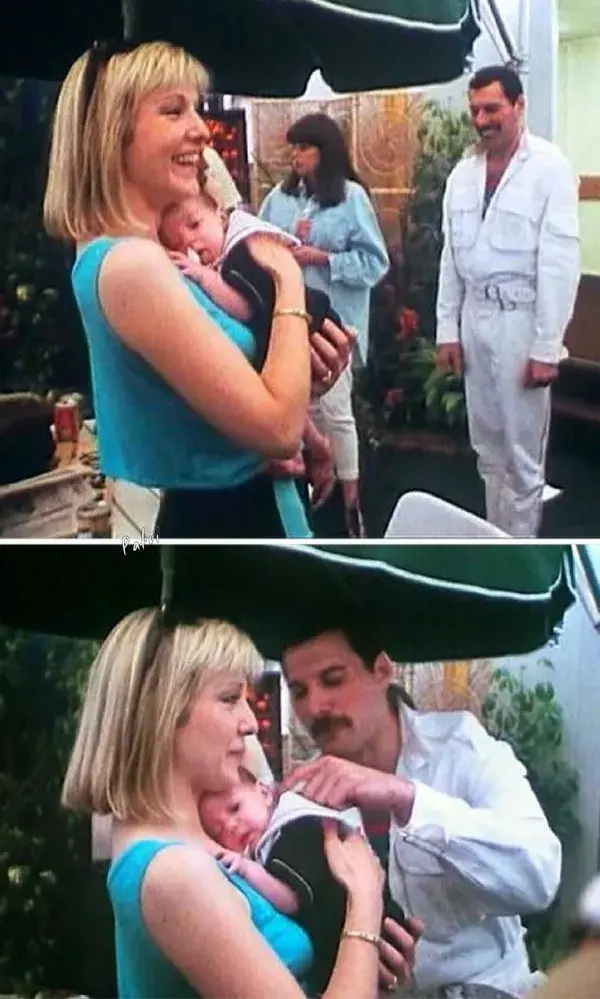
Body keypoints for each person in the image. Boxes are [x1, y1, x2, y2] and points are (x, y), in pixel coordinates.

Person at [43, 41, 353, 539]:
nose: (201, 129)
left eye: (197, 107)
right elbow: (276, 429)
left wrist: (301, 398)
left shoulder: (136, 251)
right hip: (229, 523)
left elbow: (192, 402)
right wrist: (288, 275)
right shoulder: (132, 264)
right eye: (173, 110)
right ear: (112, 133)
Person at [61, 609, 416, 999]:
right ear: (161, 710)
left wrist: (360, 962)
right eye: (230, 698)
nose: (249, 723)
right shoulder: (176, 873)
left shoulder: (190, 840)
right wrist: (364, 901)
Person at [278, 616, 562, 997]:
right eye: (298, 691)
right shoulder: (303, 801)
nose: (315, 706)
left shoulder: (460, 748)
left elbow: (538, 877)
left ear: (382, 670)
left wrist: (407, 797)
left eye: (332, 679)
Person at [436, 64, 580, 538]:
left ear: (520, 105)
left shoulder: (550, 168)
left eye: (492, 108)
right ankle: (491, 539)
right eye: (475, 110)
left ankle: (517, 546)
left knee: (521, 458)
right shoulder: (462, 174)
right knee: (487, 450)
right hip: (476, 317)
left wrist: (545, 347)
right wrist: (447, 331)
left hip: (522, 322)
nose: (481, 120)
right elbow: (450, 258)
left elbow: (559, 263)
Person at [158, 191, 340, 501]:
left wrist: (205, 278)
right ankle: (310, 445)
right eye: (179, 245)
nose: (193, 244)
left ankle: (308, 450)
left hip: (312, 328)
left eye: (195, 224)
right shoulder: (234, 255)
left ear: (221, 214)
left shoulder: (243, 254)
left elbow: (244, 308)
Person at [259, 113, 390, 538]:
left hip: (333, 325)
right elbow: (252, 243)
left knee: (335, 413)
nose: (295, 156)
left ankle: (352, 510)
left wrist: (323, 259)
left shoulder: (351, 198)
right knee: (295, 412)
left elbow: (376, 263)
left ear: (325, 151)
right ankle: (303, 502)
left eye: (304, 148)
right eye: (292, 148)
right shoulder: (278, 198)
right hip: (284, 323)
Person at [199, 762, 407, 997]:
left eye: (235, 808)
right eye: (218, 832)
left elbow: (292, 900)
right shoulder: (289, 831)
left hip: (364, 942)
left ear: (265, 793)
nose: (232, 826)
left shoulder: (292, 836)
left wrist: (249, 871)